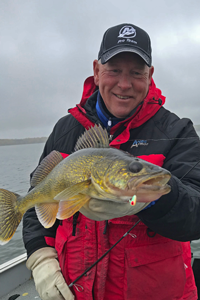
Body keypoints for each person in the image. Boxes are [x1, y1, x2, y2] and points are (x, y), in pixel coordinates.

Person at [22, 23, 200, 300]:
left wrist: (151, 199)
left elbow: (196, 215)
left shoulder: (178, 131)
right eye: (114, 70)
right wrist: (40, 256)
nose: (124, 84)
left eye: (136, 73)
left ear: (150, 75)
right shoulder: (65, 130)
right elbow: (40, 197)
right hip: (75, 291)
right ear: (96, 71)